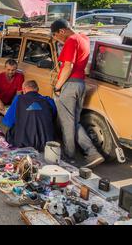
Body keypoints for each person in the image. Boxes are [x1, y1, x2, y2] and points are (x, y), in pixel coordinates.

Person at [51, 19, 105, 168]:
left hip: (70, 84)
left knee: (67, 123)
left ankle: (69, 157)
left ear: (62, 31)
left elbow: (68, 66)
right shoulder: (84, 38)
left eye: (56, 35)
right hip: (81, 84)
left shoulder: (71, 40)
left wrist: (58, 86)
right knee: (74, 122)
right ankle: (91, 152)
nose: (56, 39)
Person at [2, 80, 57, 152]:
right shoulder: (49, 100)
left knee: (3, 123)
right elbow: (53, 117)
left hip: (23, 143)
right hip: (46, 143)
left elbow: (8, 122)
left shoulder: (19, 99)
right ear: (37, 89)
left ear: (24, 89)